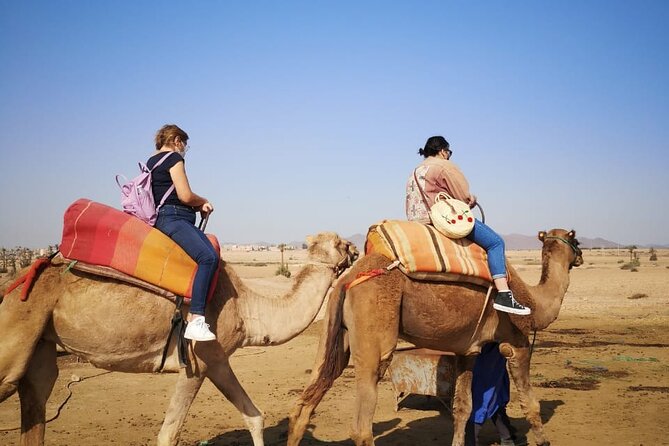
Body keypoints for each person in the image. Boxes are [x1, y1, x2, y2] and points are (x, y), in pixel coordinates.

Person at [405, 135, 530, 315]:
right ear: (442, 151)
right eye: (449, 152)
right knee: (496, 243)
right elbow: (462, 196)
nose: (449, 155)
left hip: (417, 222)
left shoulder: (415, 171)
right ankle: (504, 293)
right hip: (442, 220)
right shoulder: (444, 166)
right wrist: (470, 200)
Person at [148, 124, 219, 341]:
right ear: (177, 140)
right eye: (184, 145)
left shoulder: (151, 162)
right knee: (208, 257)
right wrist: (203, 201)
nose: (184, 149)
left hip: (163, 218)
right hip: (174, 218)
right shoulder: (174, 159)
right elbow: (185, 195)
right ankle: (196, 319)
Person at [465, 343, 525, 446]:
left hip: (488, 349)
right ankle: (471, 441)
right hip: (486, 348)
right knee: (484, 393)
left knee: (497, 393)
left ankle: (506, 435)